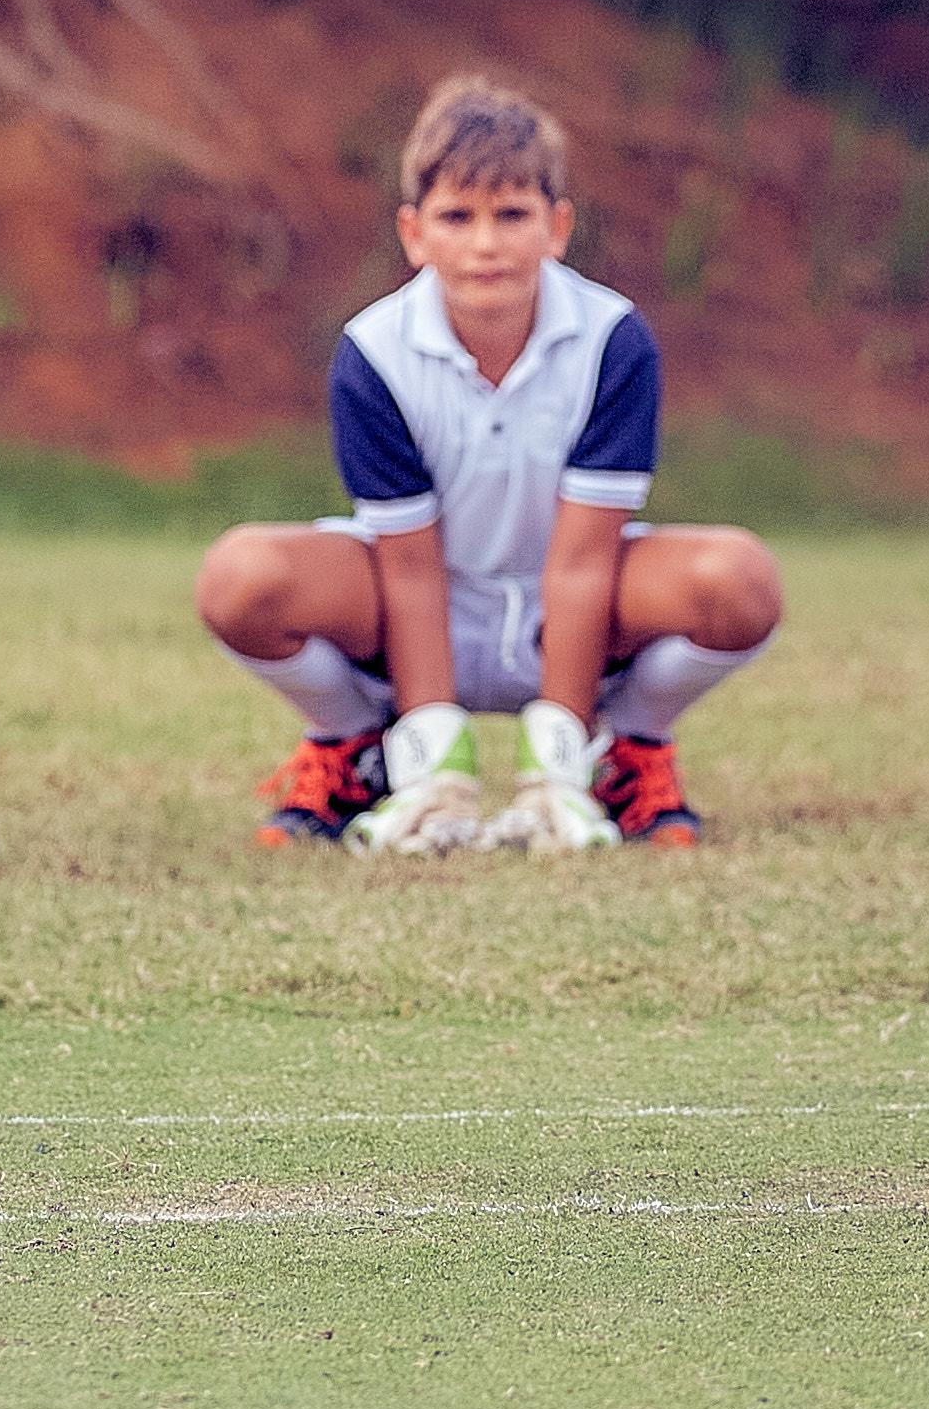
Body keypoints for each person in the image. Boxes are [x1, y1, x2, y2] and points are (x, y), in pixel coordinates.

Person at [196, 74, 783, 851]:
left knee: (738, 578)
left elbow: (582, 560)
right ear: (414, 234)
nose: (485, 243)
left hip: (581, 602)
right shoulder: (373, 352)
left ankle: (624, 751)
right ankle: (357, 748)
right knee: (241, 576)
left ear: (558, 225)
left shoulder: (614, 339)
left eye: (512, 215)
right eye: (456, 216)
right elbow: (409, 568)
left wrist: (555, 764)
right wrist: (436, 760)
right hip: (412, 600)